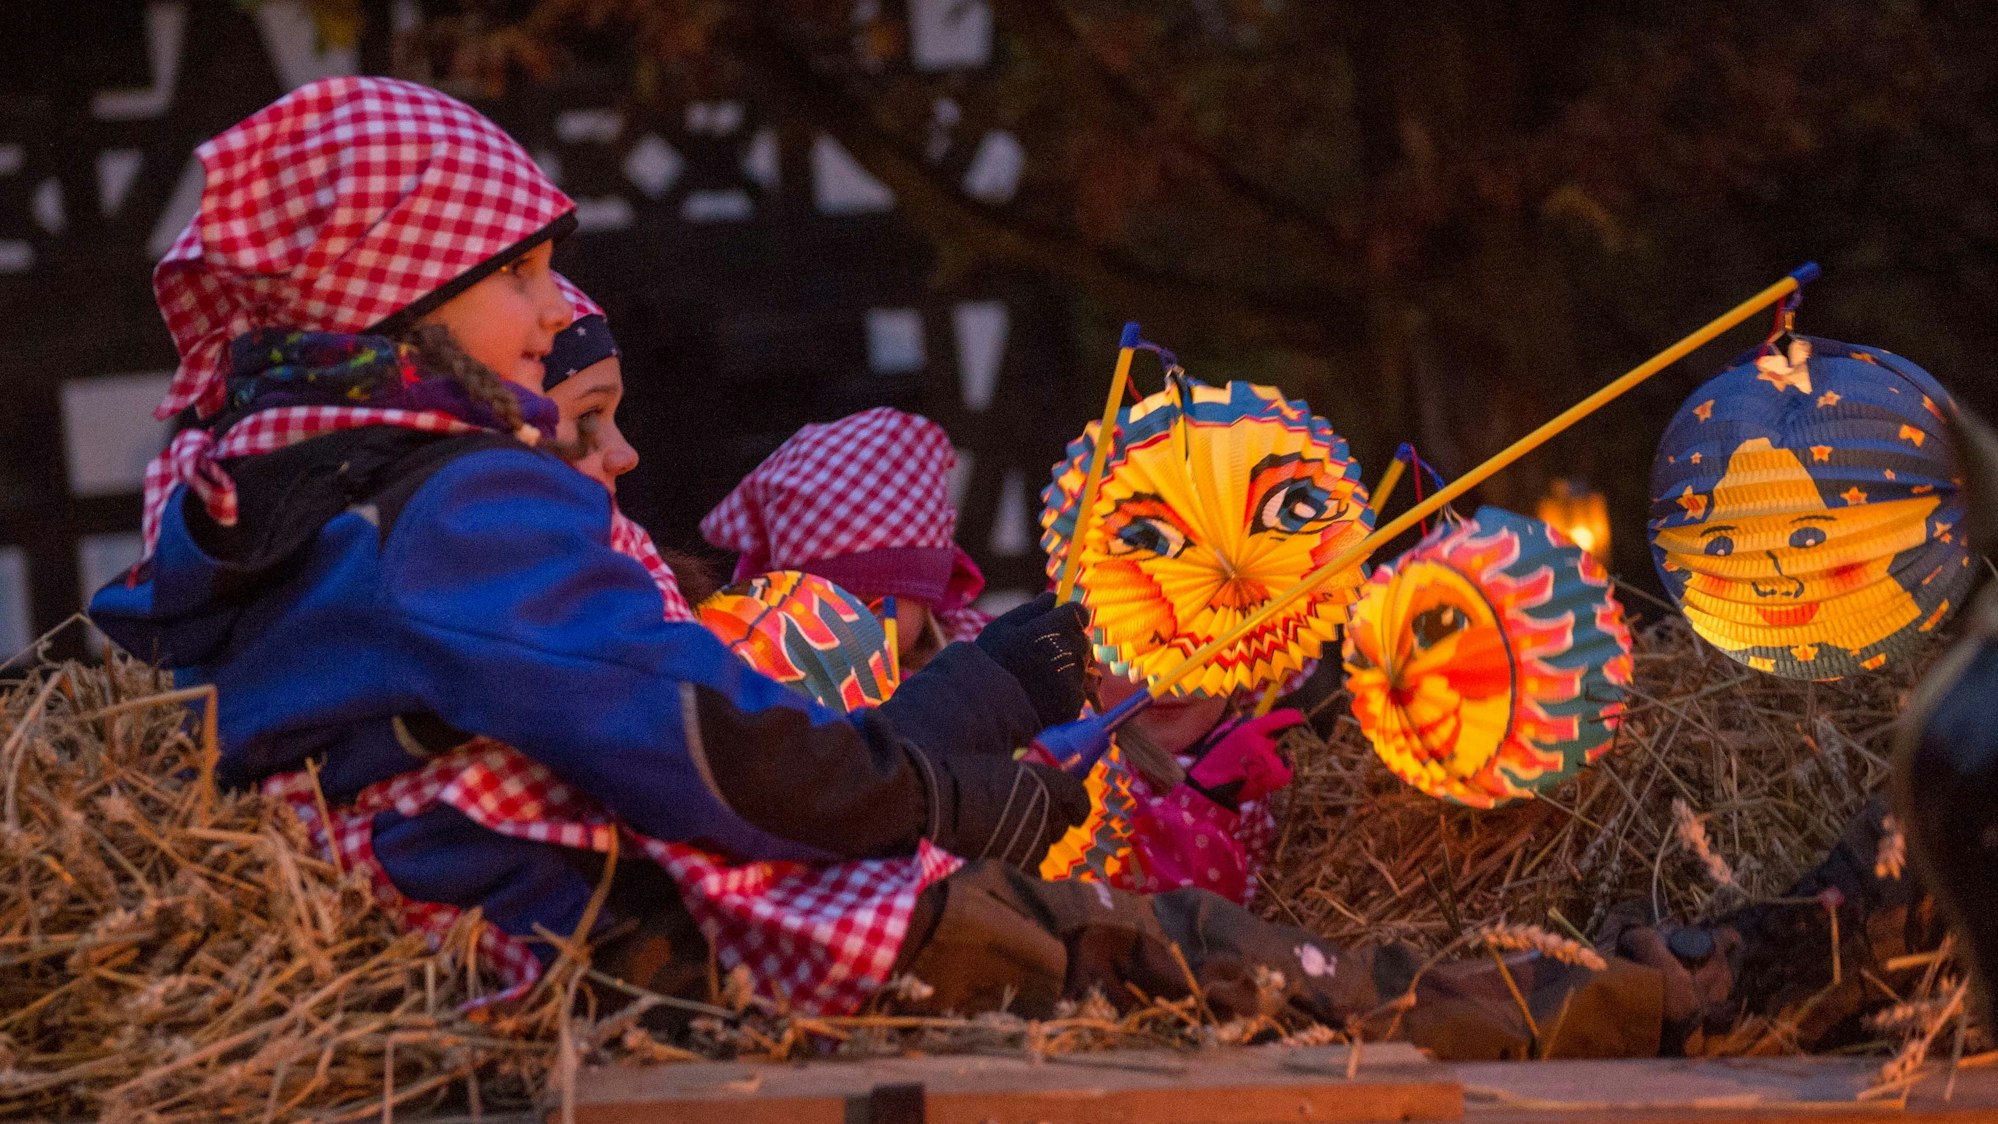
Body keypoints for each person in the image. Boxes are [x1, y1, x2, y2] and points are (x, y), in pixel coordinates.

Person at [700, 408, 993, 671]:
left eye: (873, 606)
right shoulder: (778, 685)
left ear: (925, 596)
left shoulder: (978, 660)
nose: (855, 626)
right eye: (827, 610)